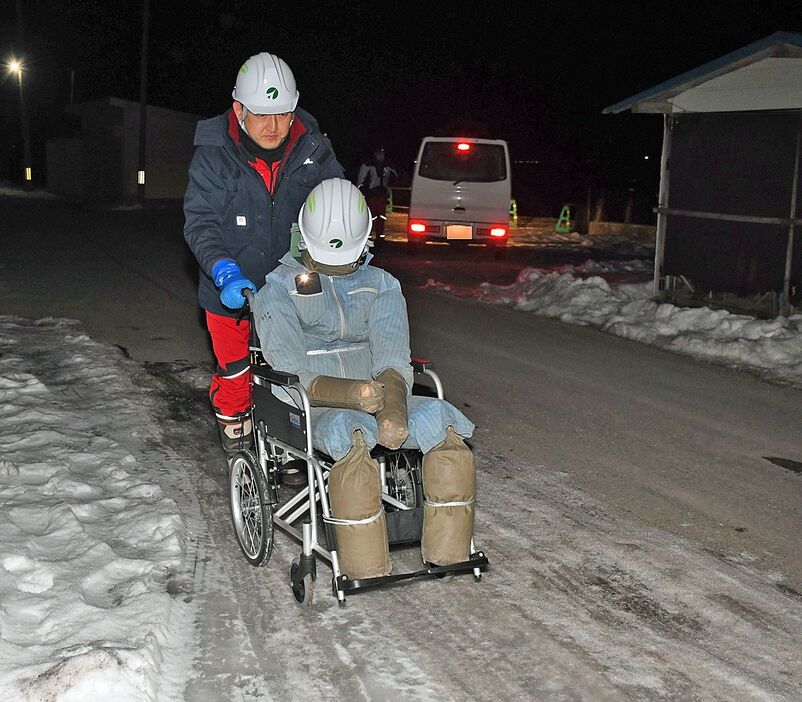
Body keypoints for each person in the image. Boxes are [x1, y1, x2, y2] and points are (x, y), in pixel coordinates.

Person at [251, 178, 476, 573]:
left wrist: (391, 407)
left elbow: (391, 351)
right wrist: (355, 395)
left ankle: (450, 552)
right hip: (313, 402)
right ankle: (364, 567)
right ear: (302, 238)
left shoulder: (381, 285)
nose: (339, 269)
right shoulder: (277, 291)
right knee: (352, 439)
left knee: (443, 427)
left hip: (381, 389)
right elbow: (293, 369)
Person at [183, 52, 344, 458]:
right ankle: (236, 430)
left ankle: (290, 438)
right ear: (239, 110)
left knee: (295, 369)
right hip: (231, 283)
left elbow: (338, 203)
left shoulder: (313, 149)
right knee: (236, 369)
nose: (273, 126)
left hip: (293, 285)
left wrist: (346, 243)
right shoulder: (215, 153)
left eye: (283, 113)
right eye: (261, 115)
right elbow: (200, 221)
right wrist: (222, 270)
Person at [356, 146, 397, 239]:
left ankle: (380, 236)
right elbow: (360, 180)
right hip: (371, 195)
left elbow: (394, 177)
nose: (380, 155)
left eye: (382, 153)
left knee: (381, 217)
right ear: (374, 154)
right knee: (370, 216)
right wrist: (361, 192)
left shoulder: (387, 166)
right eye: (379, 153)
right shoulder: (367, 165)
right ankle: (369, 236)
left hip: (382, 194)